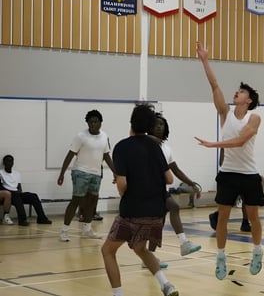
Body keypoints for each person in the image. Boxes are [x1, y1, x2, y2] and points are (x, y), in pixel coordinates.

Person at [194, 41, 264, 280]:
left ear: (249, 100)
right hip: (228, 173)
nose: (237, 92)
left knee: (253, 216)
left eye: (242, 92)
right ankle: (220, 258)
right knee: (222, 217)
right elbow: (214, 84)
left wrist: (214, 145)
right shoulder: (225, 113)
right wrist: (204, 59)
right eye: (237, 90)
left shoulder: (254, 118)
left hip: (249, 174)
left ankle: (257, 251)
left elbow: (241, 141)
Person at [100, 103, 178, 296]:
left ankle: (118, 294)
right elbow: (169, 178)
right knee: (140, 248)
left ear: (131, 122)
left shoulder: (122, 147)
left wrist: (121, 183)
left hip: (132, 211)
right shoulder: (155, 146)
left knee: (108, 251)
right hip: (156, 213)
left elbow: (122, 185)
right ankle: (166, 285)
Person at [148, 113, 202, 260]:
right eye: (156, 124)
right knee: (174, 207)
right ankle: (184, 243)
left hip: (161, 188)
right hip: (150, 188)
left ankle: (149, 258)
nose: (159, 126)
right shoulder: (146, 143)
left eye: (162, 124)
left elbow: (176, 170)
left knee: (159, 224)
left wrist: (192, 183)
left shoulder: (166, 147)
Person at [57, 109, 116, 241]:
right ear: (87, 123)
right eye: (90, 122)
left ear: (101, 123)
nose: (93, 124)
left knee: (92, 202)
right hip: (80, 172)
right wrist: (61, 174)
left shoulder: (104, 137)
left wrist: (115, 173)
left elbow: (107, 156)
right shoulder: (80, 136)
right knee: (76, 200)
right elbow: (70, 155)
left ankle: (87, 230)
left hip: (96, 173)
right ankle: (64, 231)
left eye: (95, 122)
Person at [0, 155, 53, 225]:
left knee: (33, 196)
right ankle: (22, 220)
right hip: (8, 195)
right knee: (16, 196)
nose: (9, 163)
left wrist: (19, 192)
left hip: (16, 193)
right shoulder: (1, 173)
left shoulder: (17, 173)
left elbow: (19, 187)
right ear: (4, 163)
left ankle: (41, 218)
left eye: (11, 161)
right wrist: (13, 193)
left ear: (13, 163)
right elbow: (1, 187)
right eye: (7, 161)